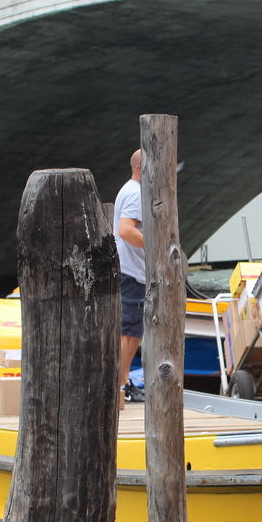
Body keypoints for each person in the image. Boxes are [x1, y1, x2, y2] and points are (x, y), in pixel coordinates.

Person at [113, 149, 145, 403]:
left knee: (132, 331)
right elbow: (126, 230)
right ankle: (121, 384)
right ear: (141, 168)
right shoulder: (136, 193)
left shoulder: (129, 190)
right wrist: (156, 248)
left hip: (129, 270)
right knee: (130, 332)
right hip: (132, 272)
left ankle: (122, 381)